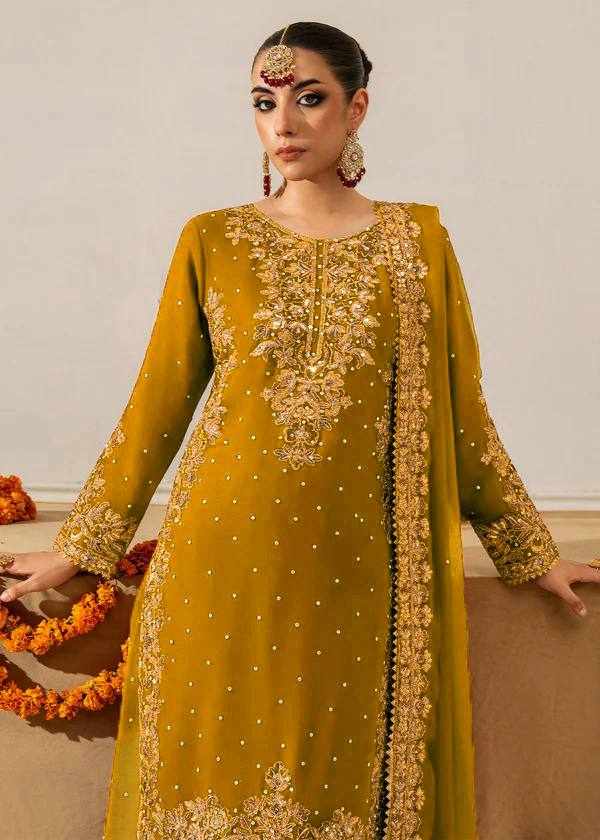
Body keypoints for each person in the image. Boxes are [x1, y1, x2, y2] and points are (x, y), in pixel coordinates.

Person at [2, 20, 599, 840]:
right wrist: (81, 546)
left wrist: (529, 553)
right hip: (219, 560)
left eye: (309, 98)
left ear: (358, 109)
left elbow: (464, 416)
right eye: (264, 102)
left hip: (362, 574)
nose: (283, 123)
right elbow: (156, 408)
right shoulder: (212, 240)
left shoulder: (416, 242)